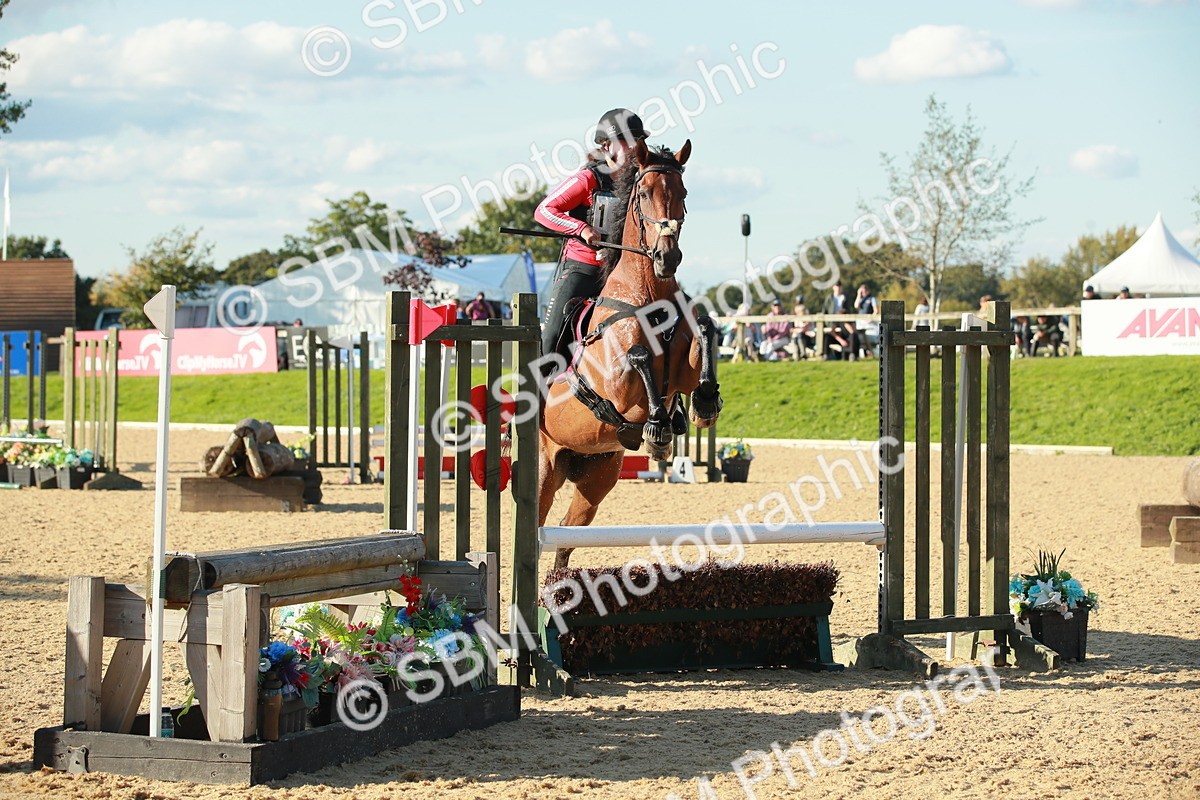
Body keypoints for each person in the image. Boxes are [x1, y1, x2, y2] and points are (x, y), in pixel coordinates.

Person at [535, 107, 647, 369]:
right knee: (551, 339)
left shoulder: (641, 182)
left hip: (621, 272)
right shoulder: (588, 178)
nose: (635, 147)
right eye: (628, 140)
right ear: (607, 146)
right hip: (582, 268)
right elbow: (544, 211)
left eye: (638, 140)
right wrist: (582, 229)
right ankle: (532, 402)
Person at [823, 281, 856, 360]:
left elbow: (849, 310)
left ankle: (852, 354)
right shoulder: (830, 298)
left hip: (843, 319)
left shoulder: (844, 298)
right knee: (828, 334)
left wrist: (843, 312)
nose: (838, 288)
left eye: (839, 286)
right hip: (832, 320)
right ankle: (825, 355)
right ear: (833, 287)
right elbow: (825, 310)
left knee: (852, 333)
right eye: (836, 286)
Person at [854, 283, 879, 358]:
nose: (863, 293)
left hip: (870, 323)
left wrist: (871, 319)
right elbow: (856, 306)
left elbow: (876, 310)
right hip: (861, 322)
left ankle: (869, 352)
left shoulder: (872, 298)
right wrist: (858, 294)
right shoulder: (860, 300)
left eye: (864, 291)